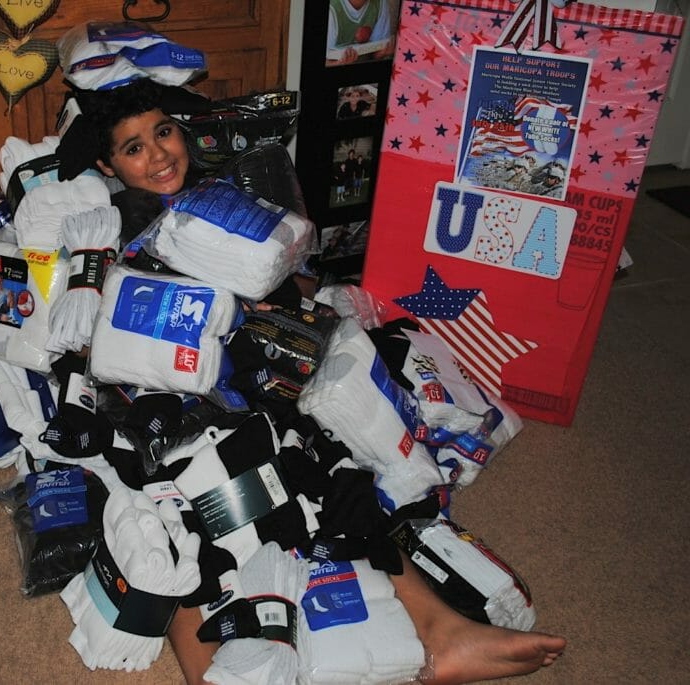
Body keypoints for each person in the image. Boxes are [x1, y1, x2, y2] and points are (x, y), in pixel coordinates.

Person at [71, 77, 567, 685]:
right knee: (182, 525)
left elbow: (299, 287)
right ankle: (211, 673)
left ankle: (440, 630)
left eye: (165, 133)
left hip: (261, 375)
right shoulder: (109, 230)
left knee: (331, 468)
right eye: (134, 148)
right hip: (163, 403)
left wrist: (275, 287)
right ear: (108, 165)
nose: (159, 154)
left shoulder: (223, 199)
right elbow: (99, 332)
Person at [327, 0, 396, 65]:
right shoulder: (333, 8)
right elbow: (327, 62)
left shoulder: (380, 3)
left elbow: (374, 54)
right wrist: (339, 63)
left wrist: (381, 53)